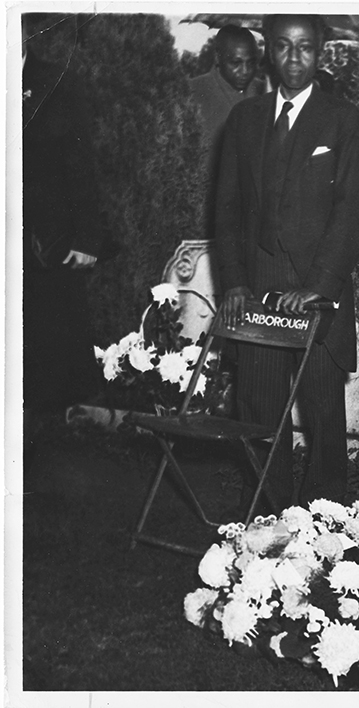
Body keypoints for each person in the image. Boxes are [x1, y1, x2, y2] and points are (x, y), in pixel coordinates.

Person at [215, 14, 359, 512]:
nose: (294, 58)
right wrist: (236, 283)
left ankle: (324, 518)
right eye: (283, 47)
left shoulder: (341, 119)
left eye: (305, 47)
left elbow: (353, 211)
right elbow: (227, 209)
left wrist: (320, 285)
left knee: (323, 409)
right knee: (259, 407)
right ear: (269, 52)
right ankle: (268, 509)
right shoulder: (244, 119)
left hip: (315, 291)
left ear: (320, 52)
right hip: (259, 287)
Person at [22, 17, 116, 449]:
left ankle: (40, 443)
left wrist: (86, 237)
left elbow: (81, 166)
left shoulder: (57, 82)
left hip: (44, 243)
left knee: (46, 346)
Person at [188, 25, 265, 239]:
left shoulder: (266, 91)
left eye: (251, 63)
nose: (245, 72)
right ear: (217, 58)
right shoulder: (192, 93)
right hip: (207, 217)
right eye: (236, 63)